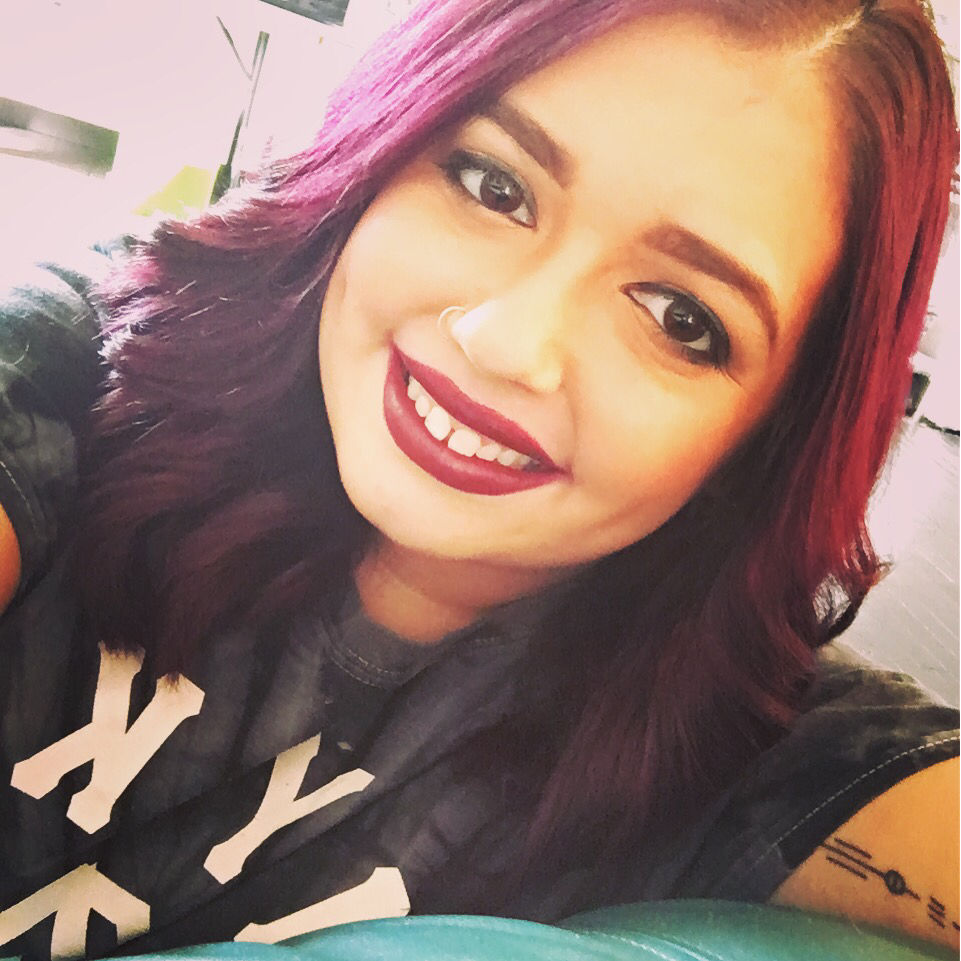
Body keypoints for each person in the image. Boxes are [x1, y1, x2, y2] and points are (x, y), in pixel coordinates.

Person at [0, 0, 957, 958]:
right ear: (384, 142)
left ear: (775, 429)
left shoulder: (735, 737)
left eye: (678, 316)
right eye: (493, 185)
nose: (505, 341)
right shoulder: (72, 381)